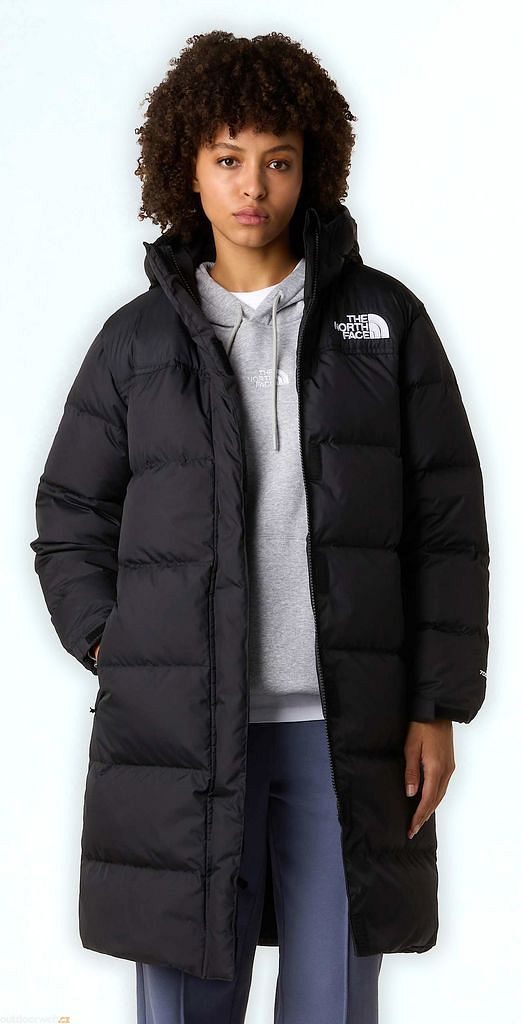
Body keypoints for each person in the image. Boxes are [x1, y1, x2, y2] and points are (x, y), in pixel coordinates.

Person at [29, 29, 490, 1024]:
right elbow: (68, 514)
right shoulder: (135, 345)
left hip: (347, 734)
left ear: (311, 167)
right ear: (188, 168)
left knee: (335, 1000)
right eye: (229, 159)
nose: (253, 187)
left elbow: (448, 527)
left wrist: (437, 704)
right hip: (185, 732)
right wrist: (115, 642)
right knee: (184, 1001)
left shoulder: (387, 327)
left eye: (278, 161)